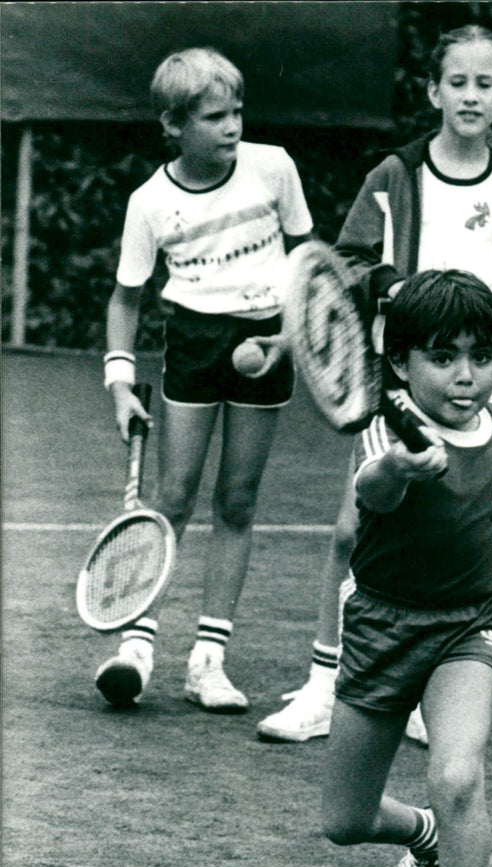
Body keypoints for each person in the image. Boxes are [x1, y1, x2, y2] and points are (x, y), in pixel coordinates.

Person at [258, 23, 492, 745]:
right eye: (458, 82)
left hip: (485, 392)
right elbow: (350, 263)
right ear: (433, 91)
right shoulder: (394, 177)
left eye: (486, 84)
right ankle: (327, 683)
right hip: (395, 386)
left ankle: (433, 686)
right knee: (351, 529)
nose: (471, 95)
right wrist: (405, 292)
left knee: (463, 538)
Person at [321, 269, 492, 867]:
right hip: (381, 626)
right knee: (344, 819)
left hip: (468, 626)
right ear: (401, 363)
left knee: (457, 772)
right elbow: (373, 491)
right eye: (443, 357)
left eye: (480, 354)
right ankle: (424, 838)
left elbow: (488, 530)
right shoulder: (384, 429)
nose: (465, 375)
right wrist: (403, 467)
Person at [94, 47, 314, 712]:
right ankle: (136, 646)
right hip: (192, 342)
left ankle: (208, 661)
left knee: (238, 501)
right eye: (215, 116)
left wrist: (290, 334)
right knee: (174, 497)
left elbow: (307, 257)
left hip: (264, 338)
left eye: (237, 111)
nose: (231, 126)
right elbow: (125, 298)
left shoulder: (273, 168)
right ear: (173, 124)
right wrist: (120, 382)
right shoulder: (150, 202)